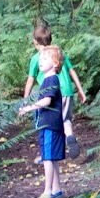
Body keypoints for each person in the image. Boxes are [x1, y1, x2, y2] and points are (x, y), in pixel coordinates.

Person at [23, 22, 88, 158]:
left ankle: (48, 153)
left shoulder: (37, 58)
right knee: (66, 120)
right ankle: (69, 136)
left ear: (35, 42)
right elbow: (71, 70)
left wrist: (26, 98)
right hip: (68, 92)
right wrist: (80, 90)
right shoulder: (59, 54)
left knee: (50, 124)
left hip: (52, 94)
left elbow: (30, 79)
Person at [18, 44, 66, 198]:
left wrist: (27, 108)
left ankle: (47, 191)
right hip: (48, 125)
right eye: (40, 58)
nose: (40, 61)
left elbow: (47, 101)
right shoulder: (47, 79)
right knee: (50, 158)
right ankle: (57, 190)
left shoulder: (51, 79)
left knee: (47, 158)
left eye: (45, 59)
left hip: (50, 125)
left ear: (55, 63)